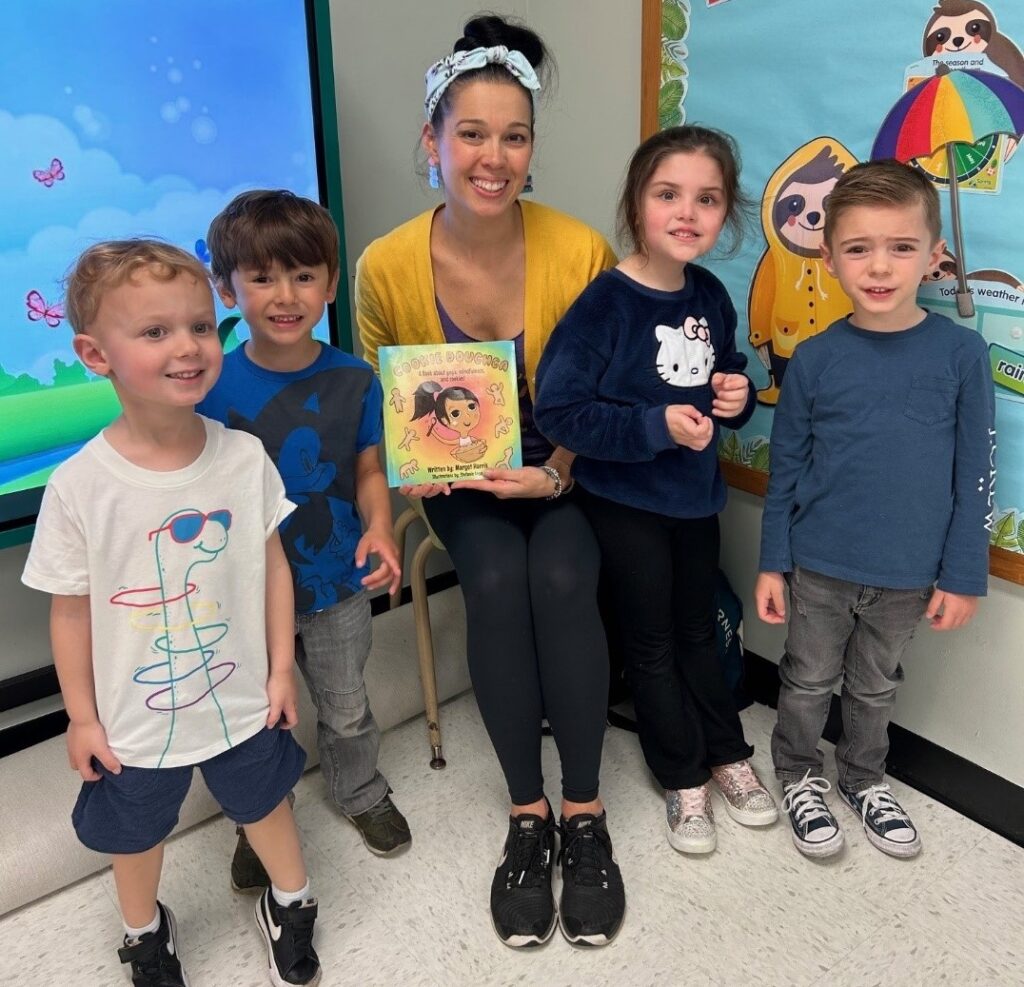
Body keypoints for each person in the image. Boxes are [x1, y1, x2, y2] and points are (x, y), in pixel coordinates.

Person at [355, 14, 625, 949]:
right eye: (470, 133)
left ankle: (584, 814)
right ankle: (527, 817)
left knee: (558, 575)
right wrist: (397, 503)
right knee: (498, 581)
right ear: (432, 143)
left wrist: (555, 472)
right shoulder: (386, 264)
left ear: (532, 149)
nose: (492, 155)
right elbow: (382, 406)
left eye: (513, 136)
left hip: (564, 463)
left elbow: (608, 395)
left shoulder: (579, 249)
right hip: (457, 477)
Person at [21, 241, 321, 987]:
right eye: (155, 332)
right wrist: (82, 717)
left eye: (199, 325)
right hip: (134, 721)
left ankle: (292, 899)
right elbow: (69, 615)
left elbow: (274, 566)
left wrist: (282, 668)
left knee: (265, 802)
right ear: (96, 353)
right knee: (135, 831)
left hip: (242, 698)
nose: (187, 346)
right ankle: (143, 931)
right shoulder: (79, 486)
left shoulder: (245, 457)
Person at [534, 125, 778, 856]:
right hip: (626, 505)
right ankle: (681, 775)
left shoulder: (709, 292)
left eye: (707, 199)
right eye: (668, 193)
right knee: (652, 641)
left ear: (725, 212)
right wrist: (653, 426)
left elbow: (726, 372)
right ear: (637, 203)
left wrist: (738, 396)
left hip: (695, 500)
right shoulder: (604, 304)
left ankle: (728, 752)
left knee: (699, 627)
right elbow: (558, 410)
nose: (687, 211)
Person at [754, 160, 996, 859]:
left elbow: (974, 470)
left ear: (932, 257)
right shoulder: (816, 358)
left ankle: (863, 776)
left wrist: (964, 573)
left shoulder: (961, 353)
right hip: (819, 564)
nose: (879, 266)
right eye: (858, 248)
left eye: (901, 247)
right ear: (829, 259)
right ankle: (799, 771)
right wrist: (773, 562)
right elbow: (787, 468)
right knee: (805, 678)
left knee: (874, 687)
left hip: (909, 571)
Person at [196, 190, 407, 875]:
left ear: (331, 282)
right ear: (227, 287)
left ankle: (360, 788)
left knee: (346, 706)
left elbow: (370, 470)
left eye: (304, 275)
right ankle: (258, 818)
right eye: (261, 277)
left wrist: (382, 527)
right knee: (256, 714)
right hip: (243, 597)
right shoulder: (206, 385)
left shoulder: (355, 379)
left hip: (338, 582)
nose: (285, 295)